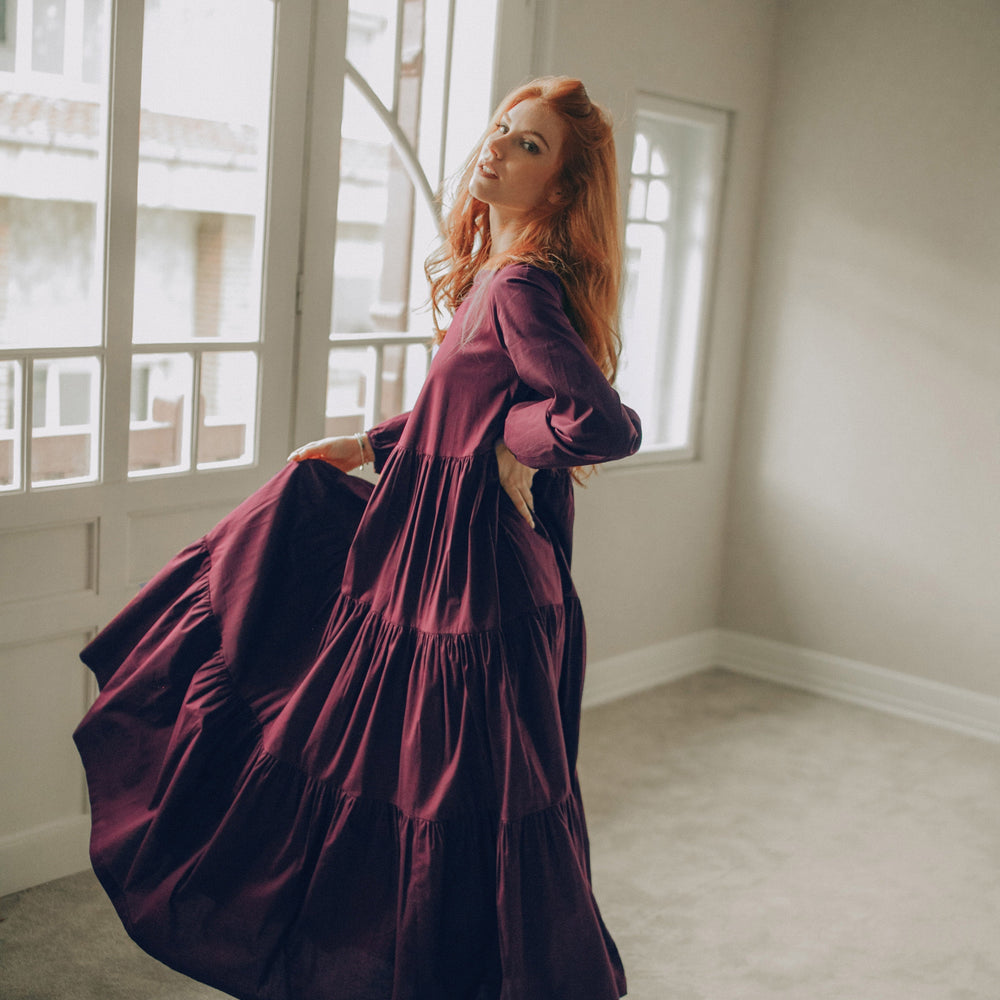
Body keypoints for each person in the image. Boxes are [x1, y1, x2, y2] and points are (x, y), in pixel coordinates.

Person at [74, 76, 641, 1000]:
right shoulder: (498, 280)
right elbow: (462, 401)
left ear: (564, 187)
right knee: (429, 791)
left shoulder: (520, 286)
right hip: (447, 568)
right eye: (502, 128)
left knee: (458, 797)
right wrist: (371, 444)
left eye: (530, 144)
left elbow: (599, 424)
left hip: (472, 584)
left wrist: (508, 440)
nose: (498, 147)